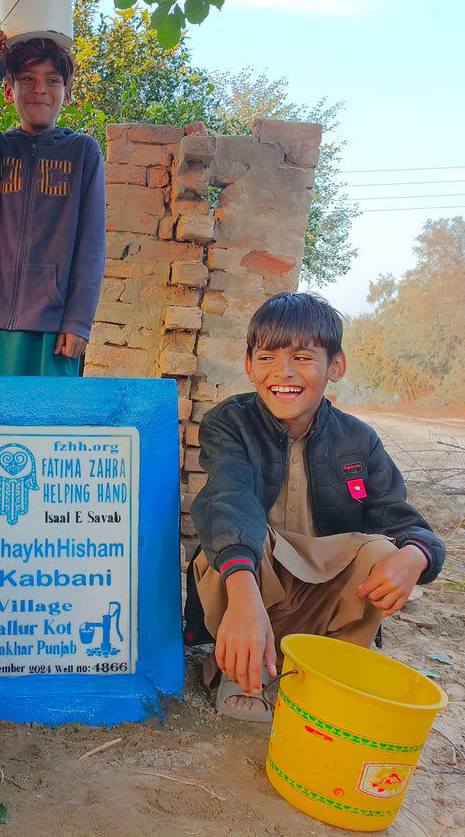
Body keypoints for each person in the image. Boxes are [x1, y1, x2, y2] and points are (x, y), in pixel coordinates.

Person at [190, 292, 445, 721]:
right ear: (250, 365)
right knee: (228, 541)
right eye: (267, 357)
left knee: (384, 552)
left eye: (303, 358)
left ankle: (327, 669)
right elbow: (228, 500)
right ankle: (244, 669)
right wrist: (243, 593)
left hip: (322, 593)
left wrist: (415, 556)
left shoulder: (358, 440)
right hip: (251, 584)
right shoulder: (229, 422)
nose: (283, 373)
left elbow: (403, 522)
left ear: (336, 366)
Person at [0, 30, 106, 376]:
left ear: (67, 93)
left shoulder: (83, 152)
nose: (39, 89)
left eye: (52, 80)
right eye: (27, 78)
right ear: (9, 90)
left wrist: (78, 321)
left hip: (50, 327)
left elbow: (92, 245)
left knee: (42, 427)